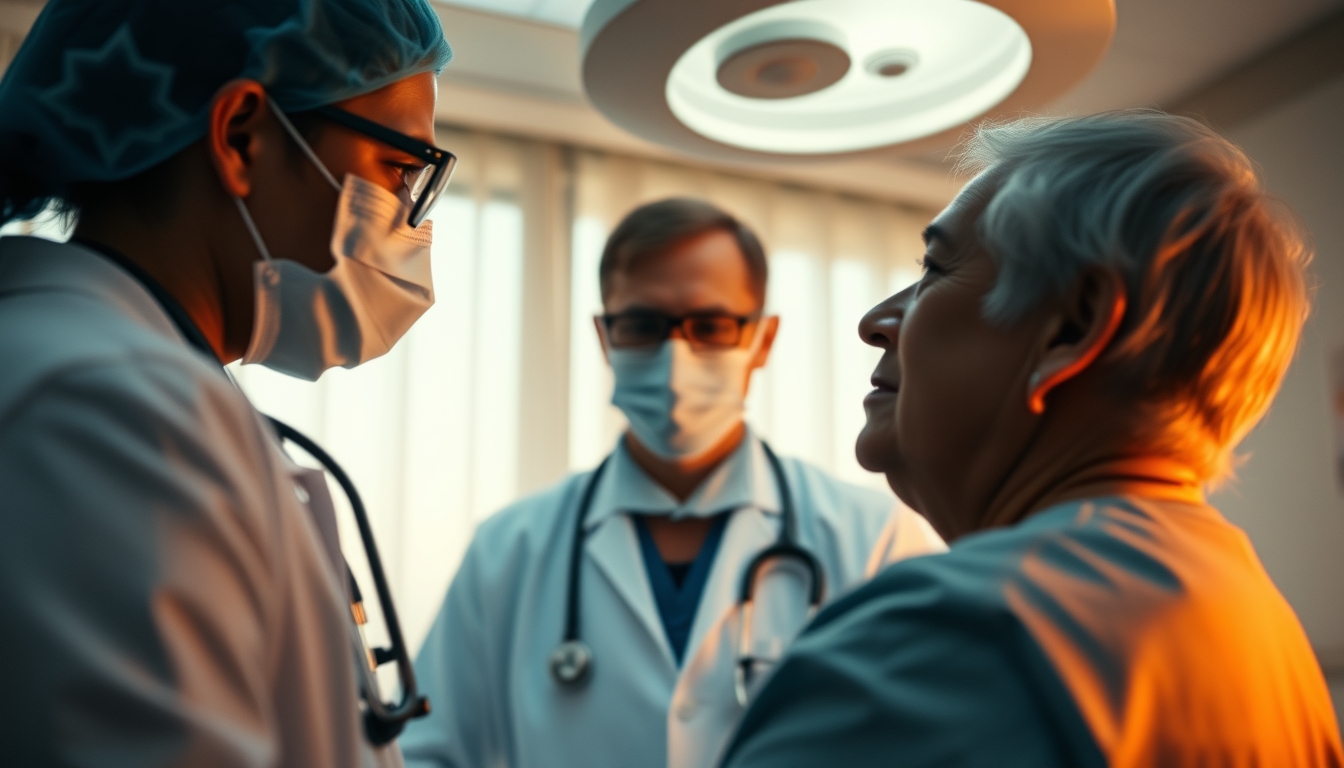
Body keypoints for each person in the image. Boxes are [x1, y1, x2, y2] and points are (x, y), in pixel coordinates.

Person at [720, 111, 1344, 767]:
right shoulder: (1267, 641)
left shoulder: (948, 639)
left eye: (935, 267)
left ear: (1072, 328)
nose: (875, 322)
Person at [0, 1, 455, 765]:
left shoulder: (138, 390)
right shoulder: (105, 408)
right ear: (242, 136)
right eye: (400, 169)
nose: (408, 222)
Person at [400, 198, 945, 768]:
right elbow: (427, 755)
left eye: (710, 325)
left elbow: (931, 744)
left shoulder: (875, 539)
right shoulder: (508, 551)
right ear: (605, 337)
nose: (675, 357)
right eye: (642, 325)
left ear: (762, 341)